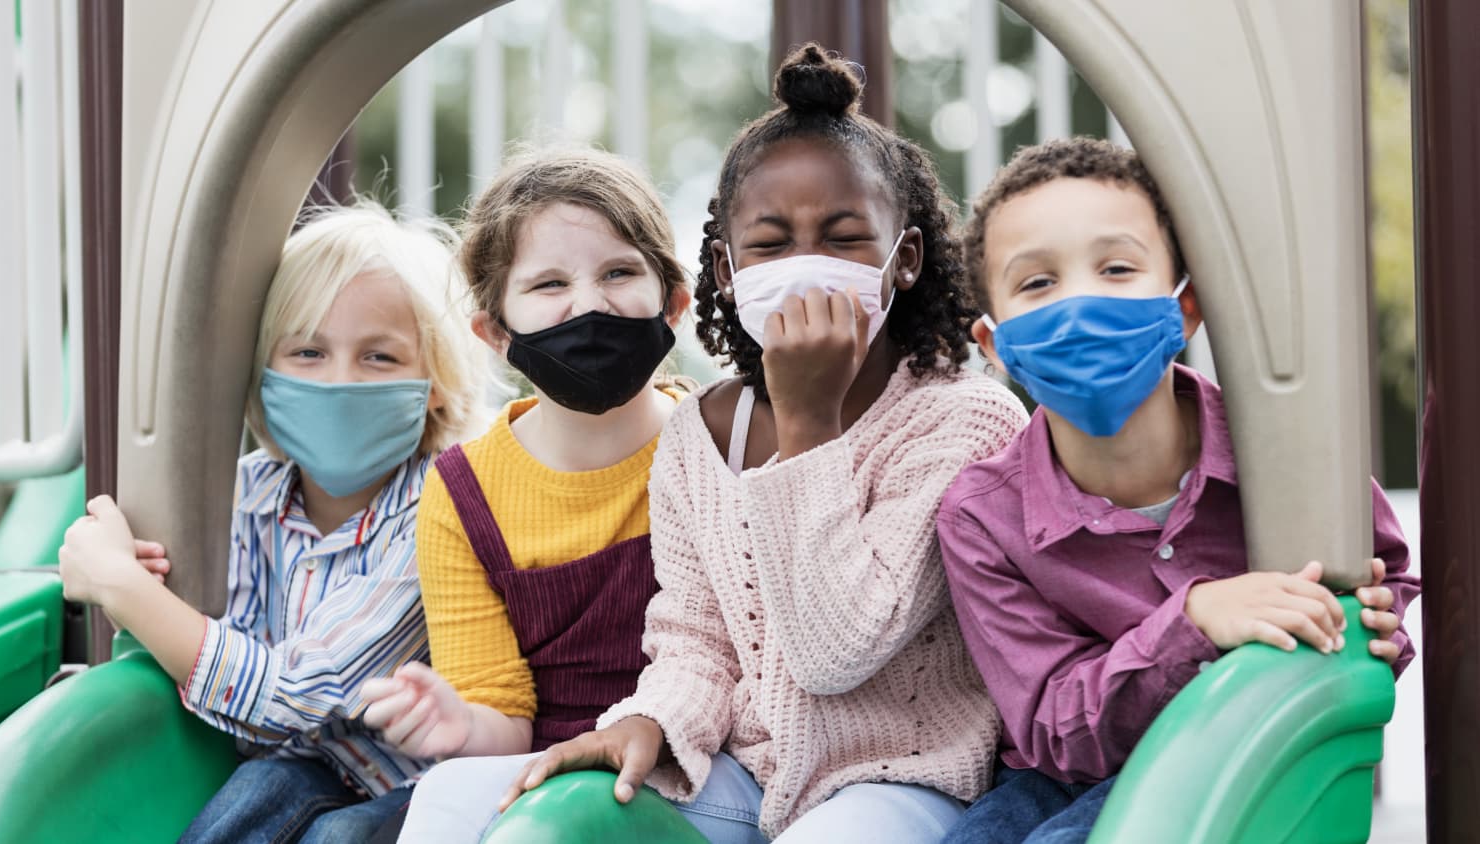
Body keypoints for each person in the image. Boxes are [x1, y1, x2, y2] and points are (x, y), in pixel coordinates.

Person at [462, 44, 1029, 844]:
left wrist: (807, 426)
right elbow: (695, 639)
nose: (805, 269)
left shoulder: (965, 422)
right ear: (725, 270)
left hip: (901, 780)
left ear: (902, 261)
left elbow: (840, 651)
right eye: (770, 244)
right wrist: (650, 722)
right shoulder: (699, 430)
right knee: (498, 811)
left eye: (842, 238)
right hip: (745, 773)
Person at [935, 137, 1421, 844]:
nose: (1080, 304)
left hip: (1242, 745)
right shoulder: (983, 517)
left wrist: (1374, 622)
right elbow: (1051, 730)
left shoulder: (1284, 453)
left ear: (1185, 307)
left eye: (1117, 268)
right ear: (994, 343)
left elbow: (1382, 587)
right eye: (1037, 283)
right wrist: (1194, 621)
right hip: (1057, 783)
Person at [57, 201, 481, 842]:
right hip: (285, 770)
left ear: (438, 382)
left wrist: (125, 588)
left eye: (379, 358)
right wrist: (136, 586)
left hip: (407, 786)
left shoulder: (440, 507)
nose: (339, 381)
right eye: (308, 352)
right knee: (255, 795)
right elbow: (215, 645)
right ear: (264, 375)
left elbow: (297, 694)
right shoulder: (251, 495)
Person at [357, 148, 693, 842]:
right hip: (540, 772)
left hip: (692, 760)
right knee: (448, 792)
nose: (591, 304)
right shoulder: (462, 493)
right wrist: (457, 721)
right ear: (495, 334)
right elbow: (502, 718)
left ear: (677, 303)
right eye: (548, 284)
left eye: (620, 272)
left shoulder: (718, 443)